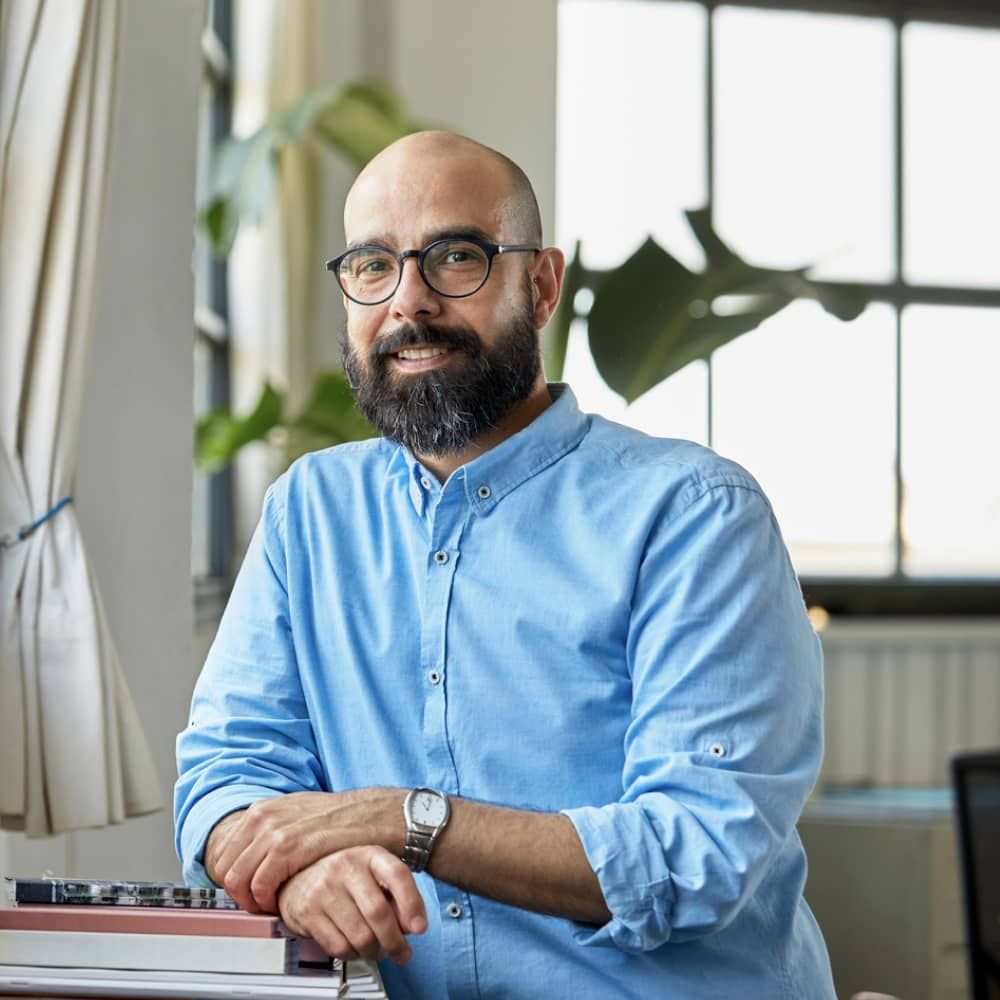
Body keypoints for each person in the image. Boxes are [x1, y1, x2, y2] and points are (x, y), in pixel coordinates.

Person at [175, 131, 836, 1000]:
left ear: (542, 283)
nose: (409, 304)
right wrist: (297, 874)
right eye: (374, 266)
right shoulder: (311, 512)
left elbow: (696, 852)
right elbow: (224, 776)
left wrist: (397, 819)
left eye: (457, 257)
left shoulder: (695, 516)